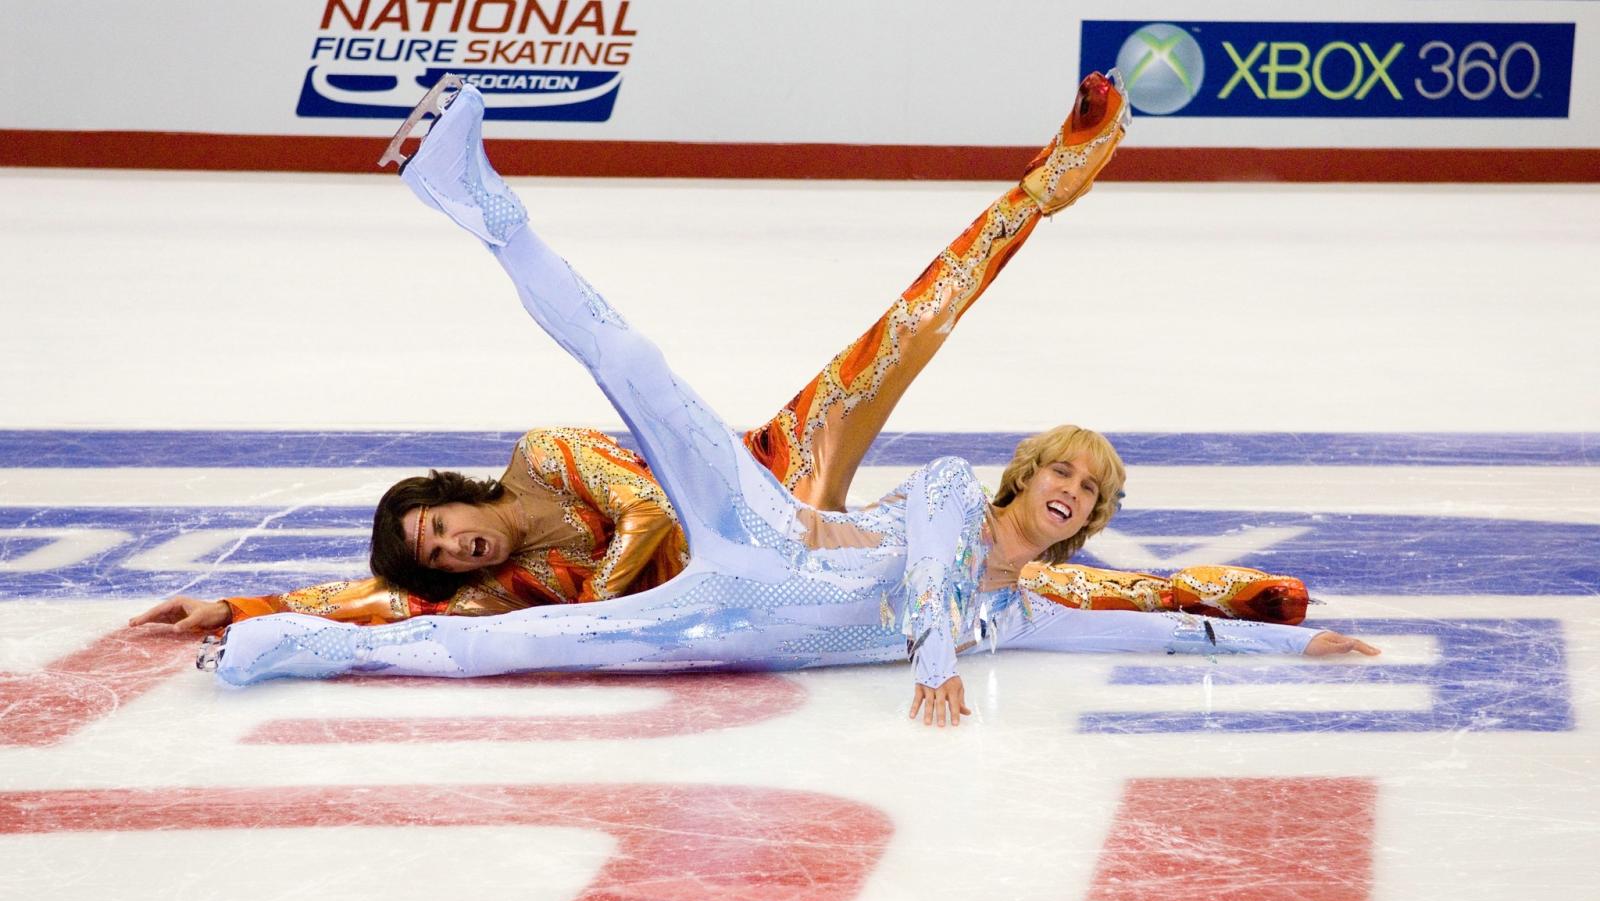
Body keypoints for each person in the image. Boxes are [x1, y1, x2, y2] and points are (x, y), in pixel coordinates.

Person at [205, 76, 1378, 722]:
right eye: (1059, 472)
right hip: (758, 525)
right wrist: (932, 654)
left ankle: (267, 650)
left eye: (1085, 488)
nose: (1068, 489)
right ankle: (476, 197)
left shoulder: (1016, 612)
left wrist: (1292, 643)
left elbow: (1139, 622)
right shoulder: (953, 498)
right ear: (1021, 479)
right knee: (637, 366)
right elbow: (929, 547)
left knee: (498, 653)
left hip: (736, 593)